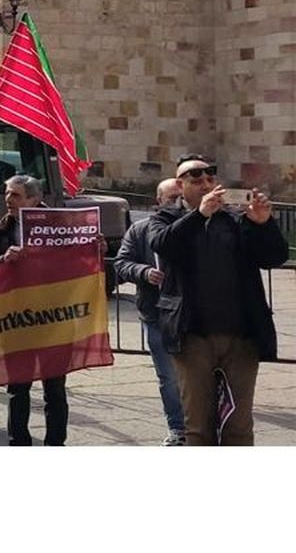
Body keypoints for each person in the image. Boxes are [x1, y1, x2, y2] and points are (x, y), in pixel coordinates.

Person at [153, 156, 286, 446]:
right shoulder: (167, 217)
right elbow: (163, 245)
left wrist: (263, 224)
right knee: (198, 425)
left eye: (210, 179)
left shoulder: (236, 220)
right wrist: (199, 215)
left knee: (238, 424)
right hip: (192, 335)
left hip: (240, 336)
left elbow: (274, 257)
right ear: (180, 184)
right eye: (196, 178)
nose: (205, 184)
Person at [0, 174, 68, 446]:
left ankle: (55, 441)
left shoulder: (61, 226)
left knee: (54, 388)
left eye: (15, 195)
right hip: (16, 319)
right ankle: (18, 441)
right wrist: (2, 260)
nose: (8, 199)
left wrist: (94, 248)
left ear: (35, 199)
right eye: (7, 193)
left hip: (52, 318)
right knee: (17, 386)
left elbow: (77, 264)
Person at [113, 177, 186, 445]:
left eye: (181, 197)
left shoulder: (196, 227)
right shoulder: (141, 230)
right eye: (170, 199)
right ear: (158, 201)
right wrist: (143, 272)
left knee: (201, 374)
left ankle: (204, 424)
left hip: (193, 314)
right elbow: (121, 263)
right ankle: (178, 428)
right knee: (169, 376)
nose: (177, 203)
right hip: (156, 313)